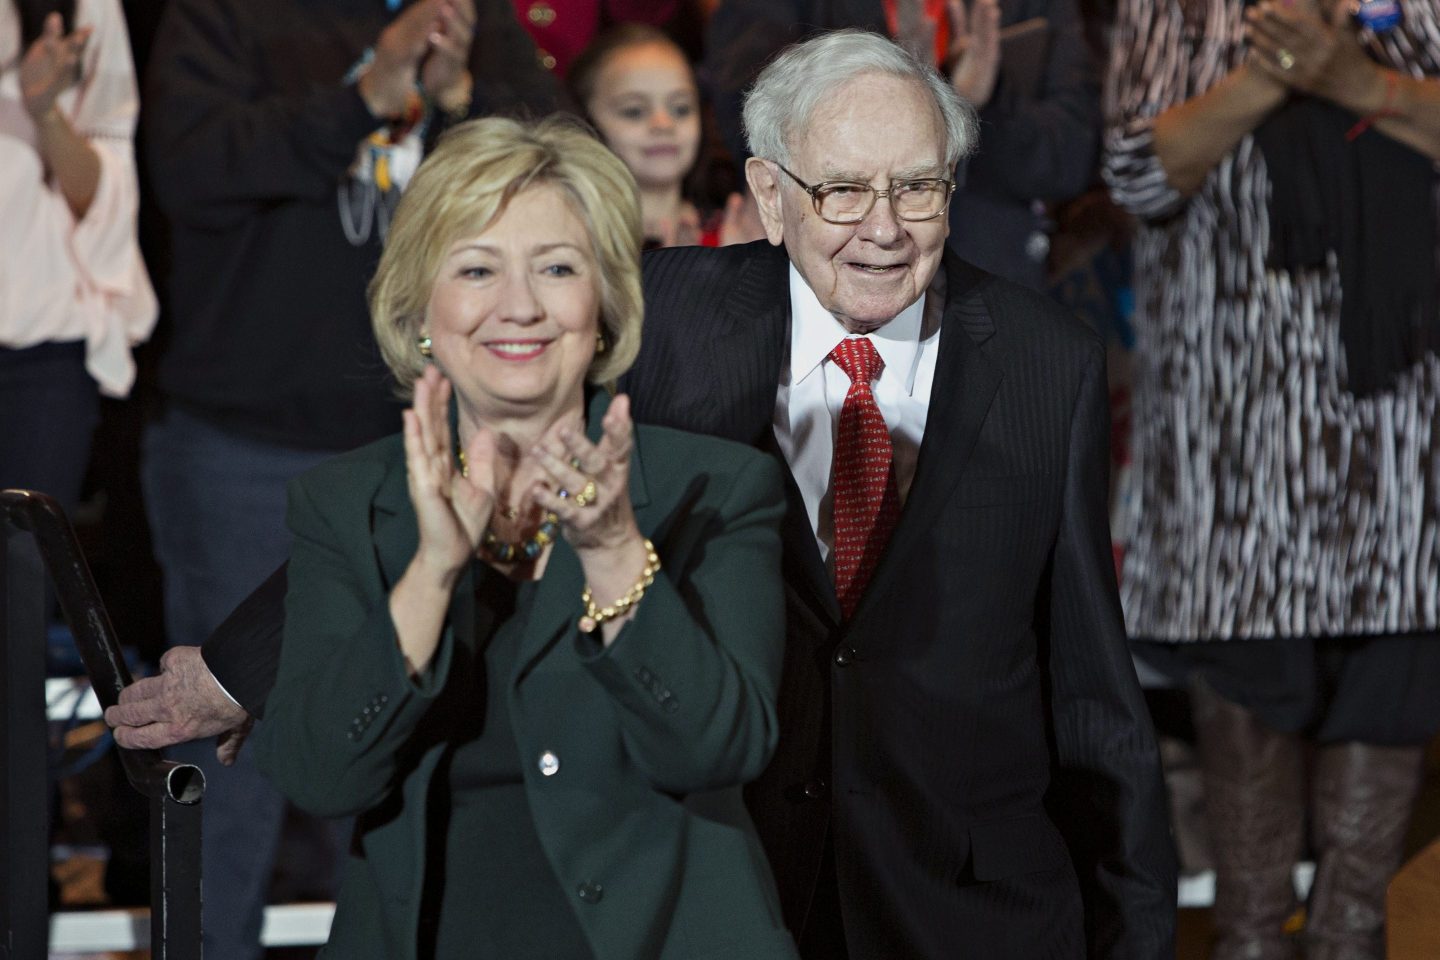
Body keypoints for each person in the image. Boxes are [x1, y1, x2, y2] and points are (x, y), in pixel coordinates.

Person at [111, 29, 1176, 960]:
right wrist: (247, 667)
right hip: (728, 878)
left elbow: (1092, 695)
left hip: (966, 905)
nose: (884, 227)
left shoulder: (1046, 361)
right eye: (843, 191)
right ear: (769, 197)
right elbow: (463, 477)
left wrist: (1134, 936)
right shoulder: (664, 318)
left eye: (919, 187)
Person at [251, 115, 796, 960]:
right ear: (420, 308)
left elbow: (717, 750)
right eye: (477, 269)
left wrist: (613, 550)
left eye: (557, 267)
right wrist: (433, 572)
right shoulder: (345, 504)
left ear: (604, 306)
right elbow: (320, 776)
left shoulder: (717, 488)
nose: (520, 306)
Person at [131, 0, 564, 955]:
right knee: (228, 753)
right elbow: (189, 170)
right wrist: (364, 96)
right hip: (246, 442)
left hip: (430, 443)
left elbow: (561, 168)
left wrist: (461, 98)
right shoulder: (225, 15)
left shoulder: (472, 18)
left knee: (402, 743)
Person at [1102, 0, 1440, 957]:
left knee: (1393, 680)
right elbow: (1136, 173)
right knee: (1246, 678)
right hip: (1234, 432)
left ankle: (1347, 937)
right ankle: (1250, 940)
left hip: (1406, 428)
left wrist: (1360, 82)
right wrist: (1274, 76)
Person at [703, 0, 1101, 287]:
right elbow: (754, 120)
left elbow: (1070, 158)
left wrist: (977, 102)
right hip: (832, 280)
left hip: (990, 282)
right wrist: (900, 93)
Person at [0, 0, 156, 515]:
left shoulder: (85, 11)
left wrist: (45, 112)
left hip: (38, 348)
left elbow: (106, 199)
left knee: (27, 562)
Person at [568, 23, 740, 248]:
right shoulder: (571, 243)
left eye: (681, 109)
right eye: (634, 111)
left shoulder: (734, 236)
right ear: (585, 120)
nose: (663, 124)